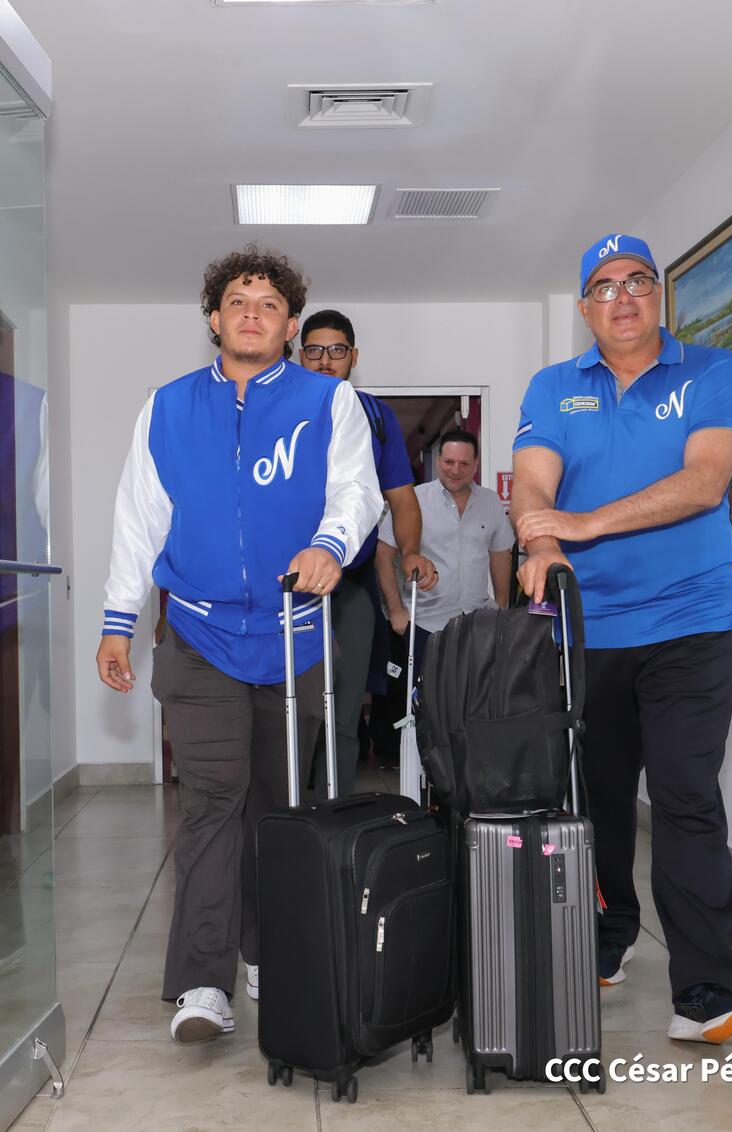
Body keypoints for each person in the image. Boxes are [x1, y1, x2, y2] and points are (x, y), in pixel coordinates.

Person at [95, 246, 382, 1043]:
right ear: (214, 319)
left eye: (267, 302)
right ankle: (201, 982)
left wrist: (330, 542)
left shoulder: (331, 402)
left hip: (294, 636)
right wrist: (119, 620)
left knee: (277, 808)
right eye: (236, 300)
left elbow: (355, 491)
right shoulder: (168, 407)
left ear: (290, 324)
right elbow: (138, 521)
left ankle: (265, 949)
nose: (251, 311)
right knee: (212, 807)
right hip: (197, 636)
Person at [511, 233, 732, 1045]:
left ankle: (704, 996)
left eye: (638, 282)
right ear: (585, 307)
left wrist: (584, 523)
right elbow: (533, 481)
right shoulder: (555, 387)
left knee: (687, 798)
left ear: (658, 297)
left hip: (690, 624)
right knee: (600, 802)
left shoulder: (711, 371)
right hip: (588, 631)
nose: (622, 296)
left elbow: (705, 479)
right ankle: (608, 941)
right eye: (604, 286)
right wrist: (541, 541)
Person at [298, 310, 436, 795]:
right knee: (286, 706)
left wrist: (411, 552)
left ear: (353, 357)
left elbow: (401, 497)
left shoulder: (375, 415)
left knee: (343, 705)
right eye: (314, 350)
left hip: (350, 587)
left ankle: (331, 816)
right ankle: (283, 818)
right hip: (287, 591)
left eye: (337, 350)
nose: (325, 360)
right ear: (300, 354)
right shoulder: (277, 404)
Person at [374, 430, 513, 753]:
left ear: (475, 464)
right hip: (424, 626)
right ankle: (424, 779)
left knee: (472, 706)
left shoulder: (491, 502)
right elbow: (383, 555)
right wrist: (396, 611)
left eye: (464, 463)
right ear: (438, 461)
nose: (455, 469)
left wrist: (503, 607)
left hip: (477, 623)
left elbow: (501, 554)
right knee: (424, 710)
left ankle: (463, 776)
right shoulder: (414, 499)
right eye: (448, 462)